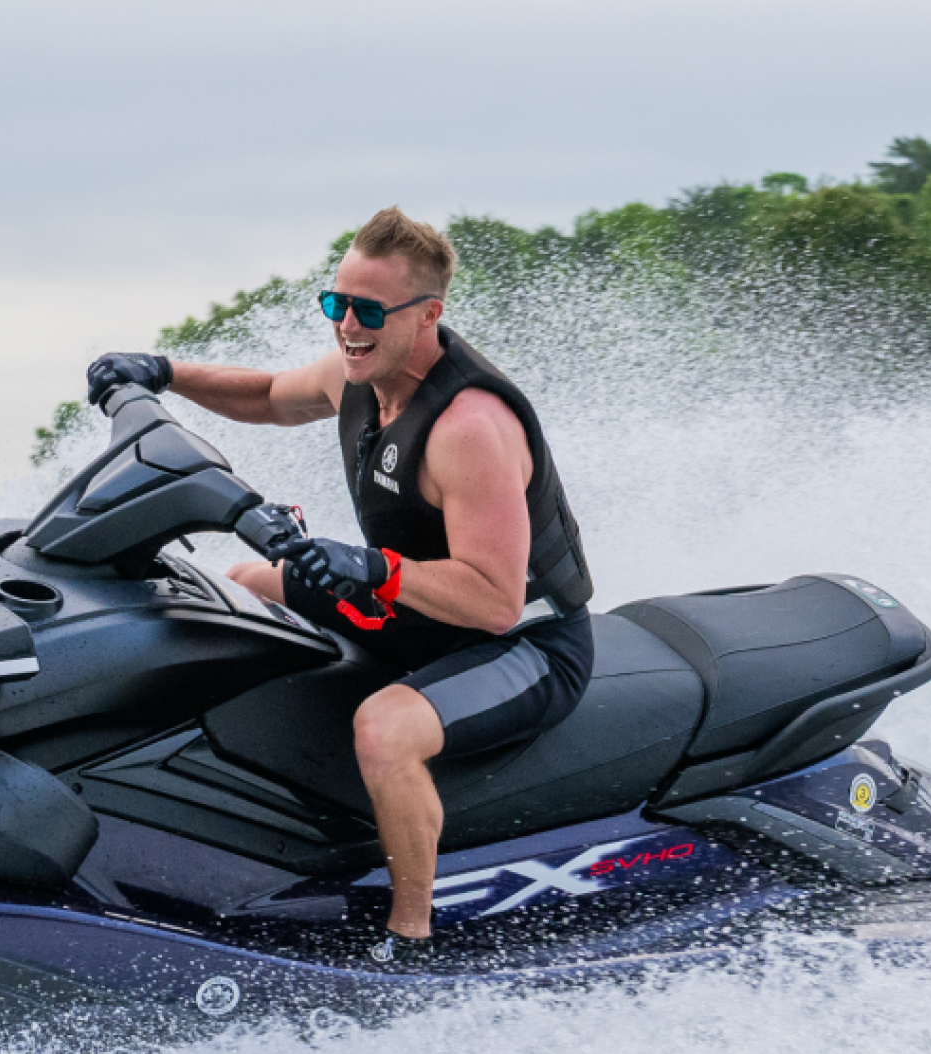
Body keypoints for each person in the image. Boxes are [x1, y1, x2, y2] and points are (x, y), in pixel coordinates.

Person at [85, 206, 595, 949]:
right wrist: (163, 372)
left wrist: (372, 567)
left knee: (384, 730)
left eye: (366, 310)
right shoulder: (360, 372)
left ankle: (410, 938)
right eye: (335, 304)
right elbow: (263, 397)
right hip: (417, 614)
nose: (346, 325)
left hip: (528, 640)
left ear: (427, 315)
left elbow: (492, 600)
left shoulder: (470, 428)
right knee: (240, 585)